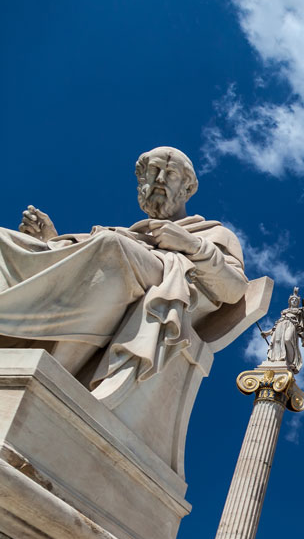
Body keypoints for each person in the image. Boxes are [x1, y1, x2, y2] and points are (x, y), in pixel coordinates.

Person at [0, 146, 249, 406]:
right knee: (5, 240)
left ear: (187, 189)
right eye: (154, 171)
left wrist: (192, 245)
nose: (160, 179)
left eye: (171, 173)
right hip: (118, 261)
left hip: (162, 281)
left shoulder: (212, 233)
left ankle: (54, 369)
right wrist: (51, 243)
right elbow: (87, 265)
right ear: (141, 181)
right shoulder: (129, 234)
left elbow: (234, 289)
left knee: (111, 247)